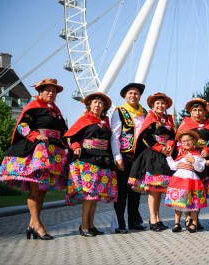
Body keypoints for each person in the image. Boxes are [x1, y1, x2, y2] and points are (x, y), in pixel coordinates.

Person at [0, 78, 68, 240]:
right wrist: (36, 135)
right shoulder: (33, 107)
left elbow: (64, 131)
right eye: (48, 90)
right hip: (37, 152)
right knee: (35, 189)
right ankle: (37, 225)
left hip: (52, 152)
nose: (51, 93)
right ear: (40, 92)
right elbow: (22, 126)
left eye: (54, 91)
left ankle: (32, 224)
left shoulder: (56, 111)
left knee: (42, 190)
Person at [64, 92, 117, 237]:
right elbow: (70, 136)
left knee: (95, 195)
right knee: (88, 195)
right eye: (95, 102)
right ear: (89, 105)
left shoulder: (106, 121)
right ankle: (84, 226)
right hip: (87, 160)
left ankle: (91, 225)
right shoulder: (84, 119)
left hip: (103, 160)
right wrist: (76, 146)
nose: (97, 105)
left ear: (104, 107)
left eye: (100, 103)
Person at [128, 92, 176, 232]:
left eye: (162, 103)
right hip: (153, 156)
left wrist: (170, 146)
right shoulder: (149, 118)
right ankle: (152, 220)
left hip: (165, 156)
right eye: (157, 104)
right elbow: (146, 137)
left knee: (160, 190)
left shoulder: (169, 120)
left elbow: (174, 136)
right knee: (153, 190)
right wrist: (161, 148)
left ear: (166, 105)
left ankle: (158, 218)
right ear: (153, 106)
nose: (160, 105)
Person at [110, 83, 147, 233]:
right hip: (125, 155)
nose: (133, 96)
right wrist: (117, 156)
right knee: (122, 191)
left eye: (136, 93)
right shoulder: (119, 112)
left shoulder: (144, 112)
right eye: (130, 93)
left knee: (135, 190)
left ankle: (134, 221)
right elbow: (114, 136)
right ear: (125, 96)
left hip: (140, 157)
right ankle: (119, 223)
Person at [177, 97, 209, 230]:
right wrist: (181, 149)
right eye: (194, 110)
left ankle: (195, 218)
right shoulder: (185, 123)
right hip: (188, 159)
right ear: (190, 112)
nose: (197, 113)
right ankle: (188, 216)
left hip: (201, 160)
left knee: (199, 190)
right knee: (187, 188)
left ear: (204, 112)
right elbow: (178, 140)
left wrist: (207, 149)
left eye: (200, 110)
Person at [165, 130, 208, 233]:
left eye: (189, 140)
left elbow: (201, 168)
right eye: (184, 141)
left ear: (194, 141)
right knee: (178, 202)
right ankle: (177, 223)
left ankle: (194, 223)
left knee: (193, 203)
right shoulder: (180, 155)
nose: (186, 143)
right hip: (178, 181)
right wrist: (169, 156)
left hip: (192, 181)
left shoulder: (198, 155)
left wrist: (194, 161)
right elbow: (173, 166)